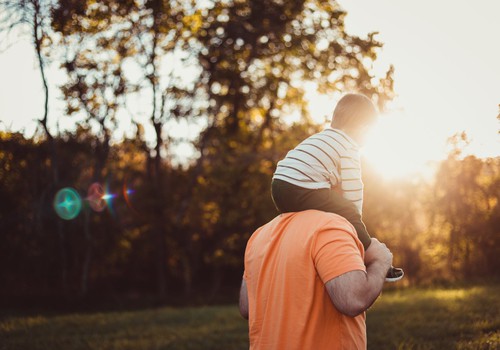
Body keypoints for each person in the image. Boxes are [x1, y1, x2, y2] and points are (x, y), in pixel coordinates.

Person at [271, 93, 403, 281]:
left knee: (329, 210)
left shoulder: (323, 138)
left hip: (279, 185)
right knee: (346, 209)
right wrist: (353, 219)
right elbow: (353, 188)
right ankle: (372, 257)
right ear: (364, 129)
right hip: (300, 187)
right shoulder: (348, 146)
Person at [239, 210, 393, 349]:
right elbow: (353, 299)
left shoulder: (259, 235)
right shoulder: (329, 226)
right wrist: (381, 261)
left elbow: (247, 306)